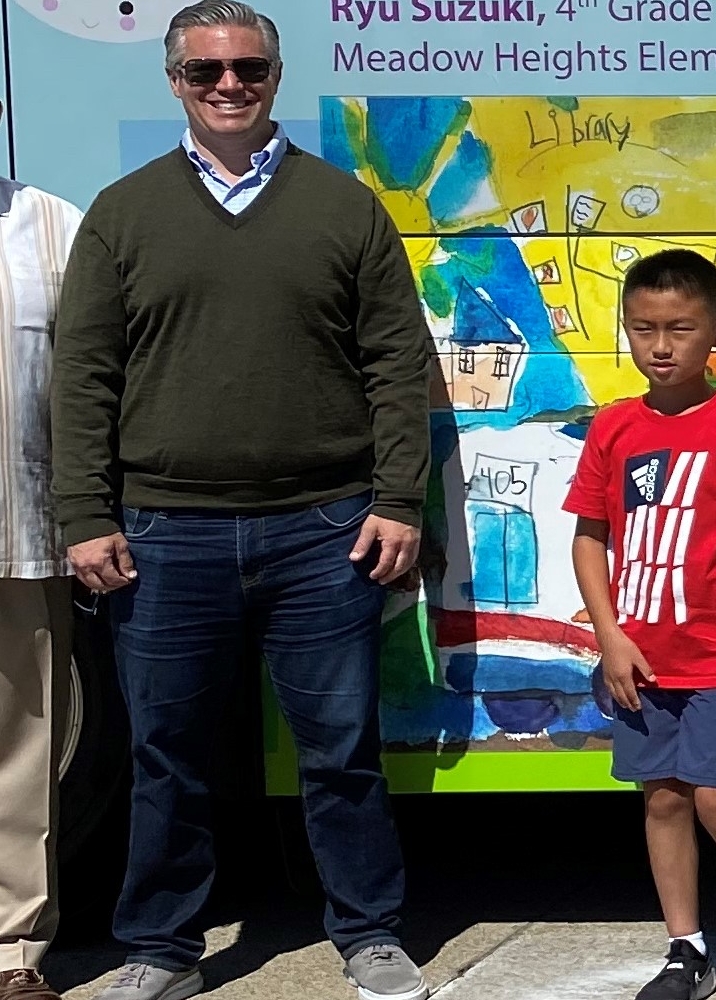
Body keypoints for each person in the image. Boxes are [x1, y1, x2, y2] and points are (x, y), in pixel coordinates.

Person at [48, 3, 434, 999]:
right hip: (162, 533)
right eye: (206, 70)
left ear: (275, 74)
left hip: (325, 530)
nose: (229, 85)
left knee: (341, 752)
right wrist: (85, 514)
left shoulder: (345, 208)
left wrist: (398, 497)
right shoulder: (123, 213)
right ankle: (161, 947)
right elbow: (83, 375)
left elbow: (397, 367)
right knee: (166, 756)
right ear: (174, 80)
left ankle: (370, 932)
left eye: (248, 67)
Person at [564, 248, 716, 1000]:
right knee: (662, 798)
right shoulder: (613, 428)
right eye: (643, 329)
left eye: (679, 328)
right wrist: (610, 637)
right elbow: (589, 537)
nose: (661, 345)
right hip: (641, 658)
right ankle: (687, 949)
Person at [0, 135, 84, 1000]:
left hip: (19, 538)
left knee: (20, 763)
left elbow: (96, 380)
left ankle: (10, 953)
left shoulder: (54, 225)